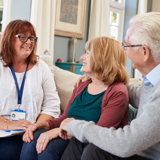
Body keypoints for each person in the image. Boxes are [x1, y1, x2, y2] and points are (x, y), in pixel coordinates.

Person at [59, 12, 160, 160]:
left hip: (145, 155)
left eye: (127, 45)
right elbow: (135, 93)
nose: (124, 51)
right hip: (138, 152)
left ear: (144, 52)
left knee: (93, 150)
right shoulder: (151, 83)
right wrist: (99, 78)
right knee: (80, 143)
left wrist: (75, 126)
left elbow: (127, 143)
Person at [20, 36, 130, 160]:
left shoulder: (117, 92)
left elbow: (99, 134)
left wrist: (57, 131)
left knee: (50, 147)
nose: (82, 57)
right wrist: (40, 125)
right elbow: (64, 118)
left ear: (103, 59)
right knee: (33, 136)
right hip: (71, 136)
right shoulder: (82, 84)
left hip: (93, 145)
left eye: (88, 53)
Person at [0, 19, 60, 160]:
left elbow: (51, 106)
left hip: (31, 134)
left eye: (32, 38)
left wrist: (35, 127)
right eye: (22, 37)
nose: (29, 42)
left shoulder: (42, 67)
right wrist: (10, 125)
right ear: (9, 39)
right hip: (3, 132)